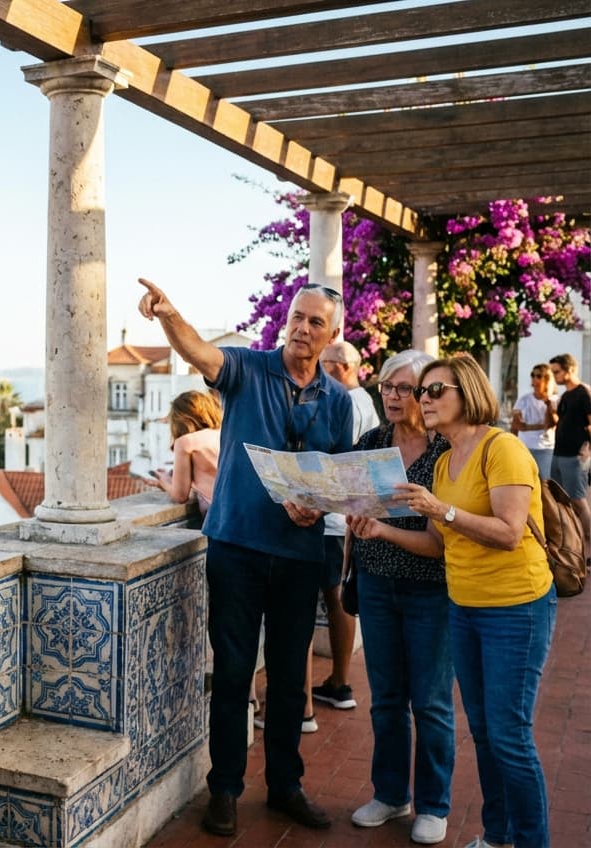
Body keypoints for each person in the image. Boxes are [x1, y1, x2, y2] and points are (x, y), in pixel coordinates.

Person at [137, 277, 354, 836]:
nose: (301, 330)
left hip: (301, 555)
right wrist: (169, 315)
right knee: (233, 673)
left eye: (314, 323)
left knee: (287, 677)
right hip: (236, 547)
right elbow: (199, 351)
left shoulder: (337, 400)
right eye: (296, 318)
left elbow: (333, 474)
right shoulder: (248, 369)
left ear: (333, 334)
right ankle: (225, 791)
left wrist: (316, 504)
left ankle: (285, 786)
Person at [349, 354, 556, 848]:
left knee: (509, 735)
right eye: (423, 391)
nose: (423, 399)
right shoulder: (444, 462)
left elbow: (508, 532)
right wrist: (379, 530)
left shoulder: (501, 448)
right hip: (464, 606)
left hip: (516, 606)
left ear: (469, 393)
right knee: (484, 731)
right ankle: (498, 833)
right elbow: (438, 544)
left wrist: (444, 509)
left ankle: (531, 840)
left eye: (435, 390)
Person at [345, 350, 454, 846]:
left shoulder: (447, 451)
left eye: (403, 388)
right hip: (376, 585)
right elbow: (360, 509)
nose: (391, 396)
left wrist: (382, 531)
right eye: (386, 386)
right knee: (386, 700)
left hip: (432, 590)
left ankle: (433, 804)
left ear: (427, 393)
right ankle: (391, 794)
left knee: (430, 701)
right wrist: (353, 520)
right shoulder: (372, 442)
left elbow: (438, 543)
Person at [308, 341, 381, 722]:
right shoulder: (367, 402)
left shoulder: (346, 401)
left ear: (338, 366)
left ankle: (312, 699)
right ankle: (340, 683)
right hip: (347, 516)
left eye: (322, 365)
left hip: (333, 518)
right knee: (339, 600)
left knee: (318, 601)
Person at [547, 353, 591, 552]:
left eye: (557, 371)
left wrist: (587, 448)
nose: (554, 376)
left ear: (570, 369)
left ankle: (586, 546)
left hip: (574, 456)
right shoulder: (565, 395)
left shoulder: (584, 393)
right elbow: (561, 423)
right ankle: (571, 543)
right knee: (560, 499)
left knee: (578, 501)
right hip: (558, 454)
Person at [153, 389, 222, 515]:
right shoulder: (223, 433)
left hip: (221, 516)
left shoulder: (186, 443)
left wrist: (164, 482)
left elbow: (180, 496)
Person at [510, 363, 556, 480]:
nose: (534, 379)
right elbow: (517, 425)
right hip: (524, 446)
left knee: (545, 484)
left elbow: (552, 424)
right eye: (533, 375)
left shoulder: (554, 400)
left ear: (547, 379)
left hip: (546, 449)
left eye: (539, 376)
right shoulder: (524, 399)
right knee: (525, 480)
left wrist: (549, 408)